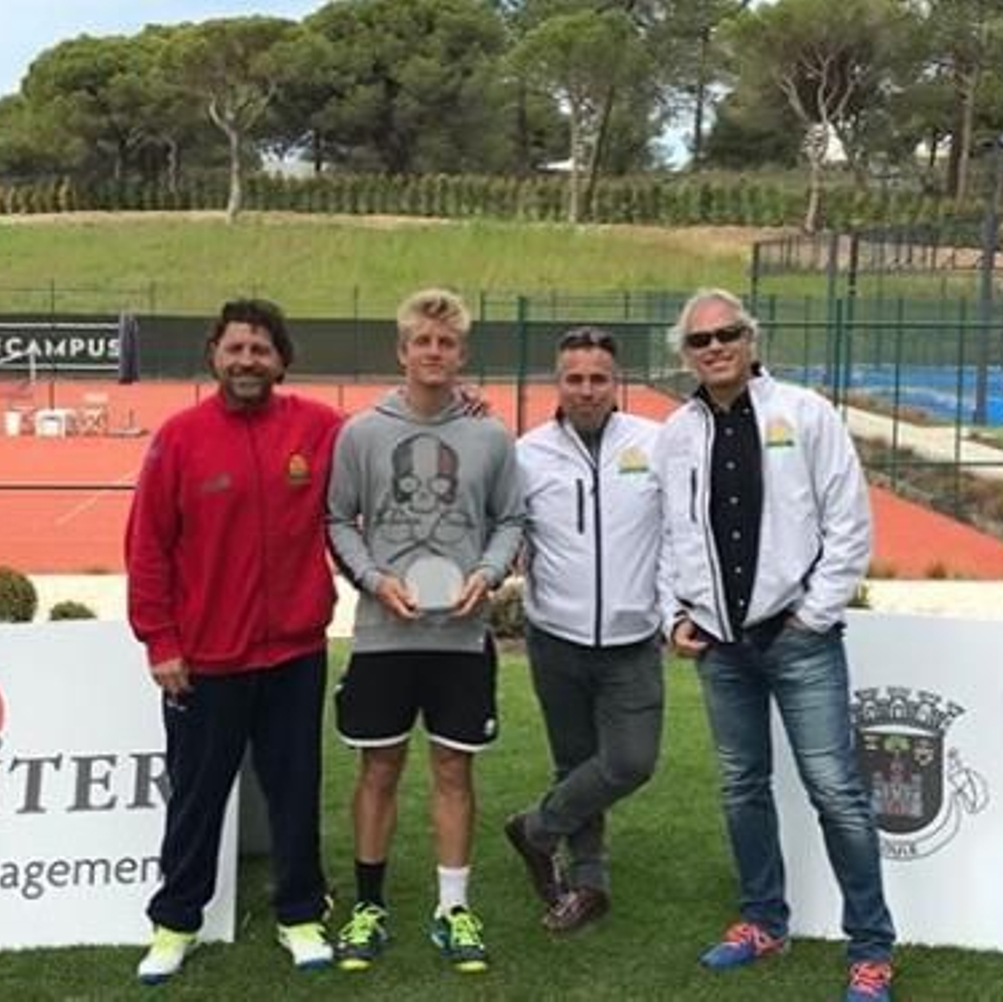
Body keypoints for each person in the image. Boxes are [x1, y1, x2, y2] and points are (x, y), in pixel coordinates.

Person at [655, 288, 895, 1002]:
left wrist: (812, 616)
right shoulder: (676, 434)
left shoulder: (806, 413)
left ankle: (872, 949)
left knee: (837, 793)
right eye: (701, 340)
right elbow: (672, 536)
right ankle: (763, 920)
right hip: (722, 649)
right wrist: (674, 617)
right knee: (741, 787)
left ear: (750, 339)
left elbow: (849, 522)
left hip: (798, 641)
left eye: (728, 333)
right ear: (686, 355)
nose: (716, 347)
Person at [125, 299, 338, 984]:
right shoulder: (179, 438)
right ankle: (175, 922)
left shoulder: (320, 428)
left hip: (294, 655)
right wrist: (160, 640)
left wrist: (463, 411)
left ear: (282, 360)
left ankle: (300, 914)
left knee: (295, 789)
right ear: (213, 354)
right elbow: (148, 547)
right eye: (236, 348)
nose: (248, 361)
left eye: (261, 349)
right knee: (196, 795)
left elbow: (394, 445)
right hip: (205, 662)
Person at [326, 288, 524, 975]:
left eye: (446, 343)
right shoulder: (362, 434)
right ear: (402, 350)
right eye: (422, 342)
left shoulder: (491, 436)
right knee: (378, 768)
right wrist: (375, 580)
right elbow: (337, 519)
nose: (434, 353)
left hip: (461, 639)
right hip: (384, 632)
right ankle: (369, 905)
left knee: (452, 769)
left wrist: (490, 573)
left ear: (461, 353)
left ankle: (452, 910)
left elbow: (511, 520)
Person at [504, 326, 665, 933]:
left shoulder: (656, 444)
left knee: (631, 761)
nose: (587, 389)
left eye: (599, 378)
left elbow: (678, 532)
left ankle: (535, 829)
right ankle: (589, 883)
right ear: (559, 383)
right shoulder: (528, 453)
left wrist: (676, 609)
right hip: (556, 638)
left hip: (632, 642)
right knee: (575, 762)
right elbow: (510, 533)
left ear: (615, 382)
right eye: (575, 378)